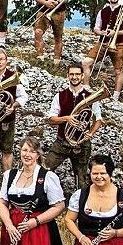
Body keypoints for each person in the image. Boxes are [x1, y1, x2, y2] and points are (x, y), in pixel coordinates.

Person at [46, 62, 103, 190]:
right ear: (67, 76)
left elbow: (98, 119)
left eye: (77, 74)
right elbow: (51, 119)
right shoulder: (59, 96)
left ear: (82, 76)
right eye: (71, 74)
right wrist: (66, 118)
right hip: (62, 142)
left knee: (81, 180)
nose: (74, 77)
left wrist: (91, 133)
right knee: (45, 170)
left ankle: (80, 206)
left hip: (82, 145)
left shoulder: (91, 97)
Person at [81, 0, 123, 101]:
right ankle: (86, 88)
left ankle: (116, 96)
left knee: (118, 71)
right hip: (103, 42)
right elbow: (96, 28)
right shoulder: (102, 11)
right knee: (86, 63)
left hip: (118, 44)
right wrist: (102, 32)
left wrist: (116, 32)